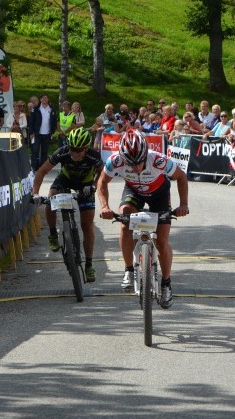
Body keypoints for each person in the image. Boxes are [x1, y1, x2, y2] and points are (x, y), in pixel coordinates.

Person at [96, 129, 189, 308]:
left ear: (146, 153)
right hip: (134, 192)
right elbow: (102, 182)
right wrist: (105, 206)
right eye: (131, 163)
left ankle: (166, 283)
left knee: (161, 241)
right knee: (124, 221)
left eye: (139, 162)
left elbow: (181, 177)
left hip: (159, 194)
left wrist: (183, 204)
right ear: (123, 156)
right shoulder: (115, 161)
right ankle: (129, 270)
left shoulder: (158, 160)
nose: (136, 167)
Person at [32, 128, 102, 282]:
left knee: (87, 224)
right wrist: (35, 193)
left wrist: (94, 186)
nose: (74, 153)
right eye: (72, 149)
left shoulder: (93, 155)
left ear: (86, 148)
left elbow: (102, 173)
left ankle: (89, 265)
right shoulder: (62, 152)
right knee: (50, 200)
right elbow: (42, 171)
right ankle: (52, 233)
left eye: (78, 150)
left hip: (86, 184)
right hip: (65, 180)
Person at [28, 94, 58, 172]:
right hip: (37, 134)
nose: (45, 99)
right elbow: (31, 122)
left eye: (46, 98)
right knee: (35, 150)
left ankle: (43, 168)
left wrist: (52, 131)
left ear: (48, 99)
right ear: (40, 99)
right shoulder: (35, 109)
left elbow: (55, 121)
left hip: (47, 134)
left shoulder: (52, 109)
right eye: (43, 98)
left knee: (44, 152)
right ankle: (34, 167)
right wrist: (31, 132)